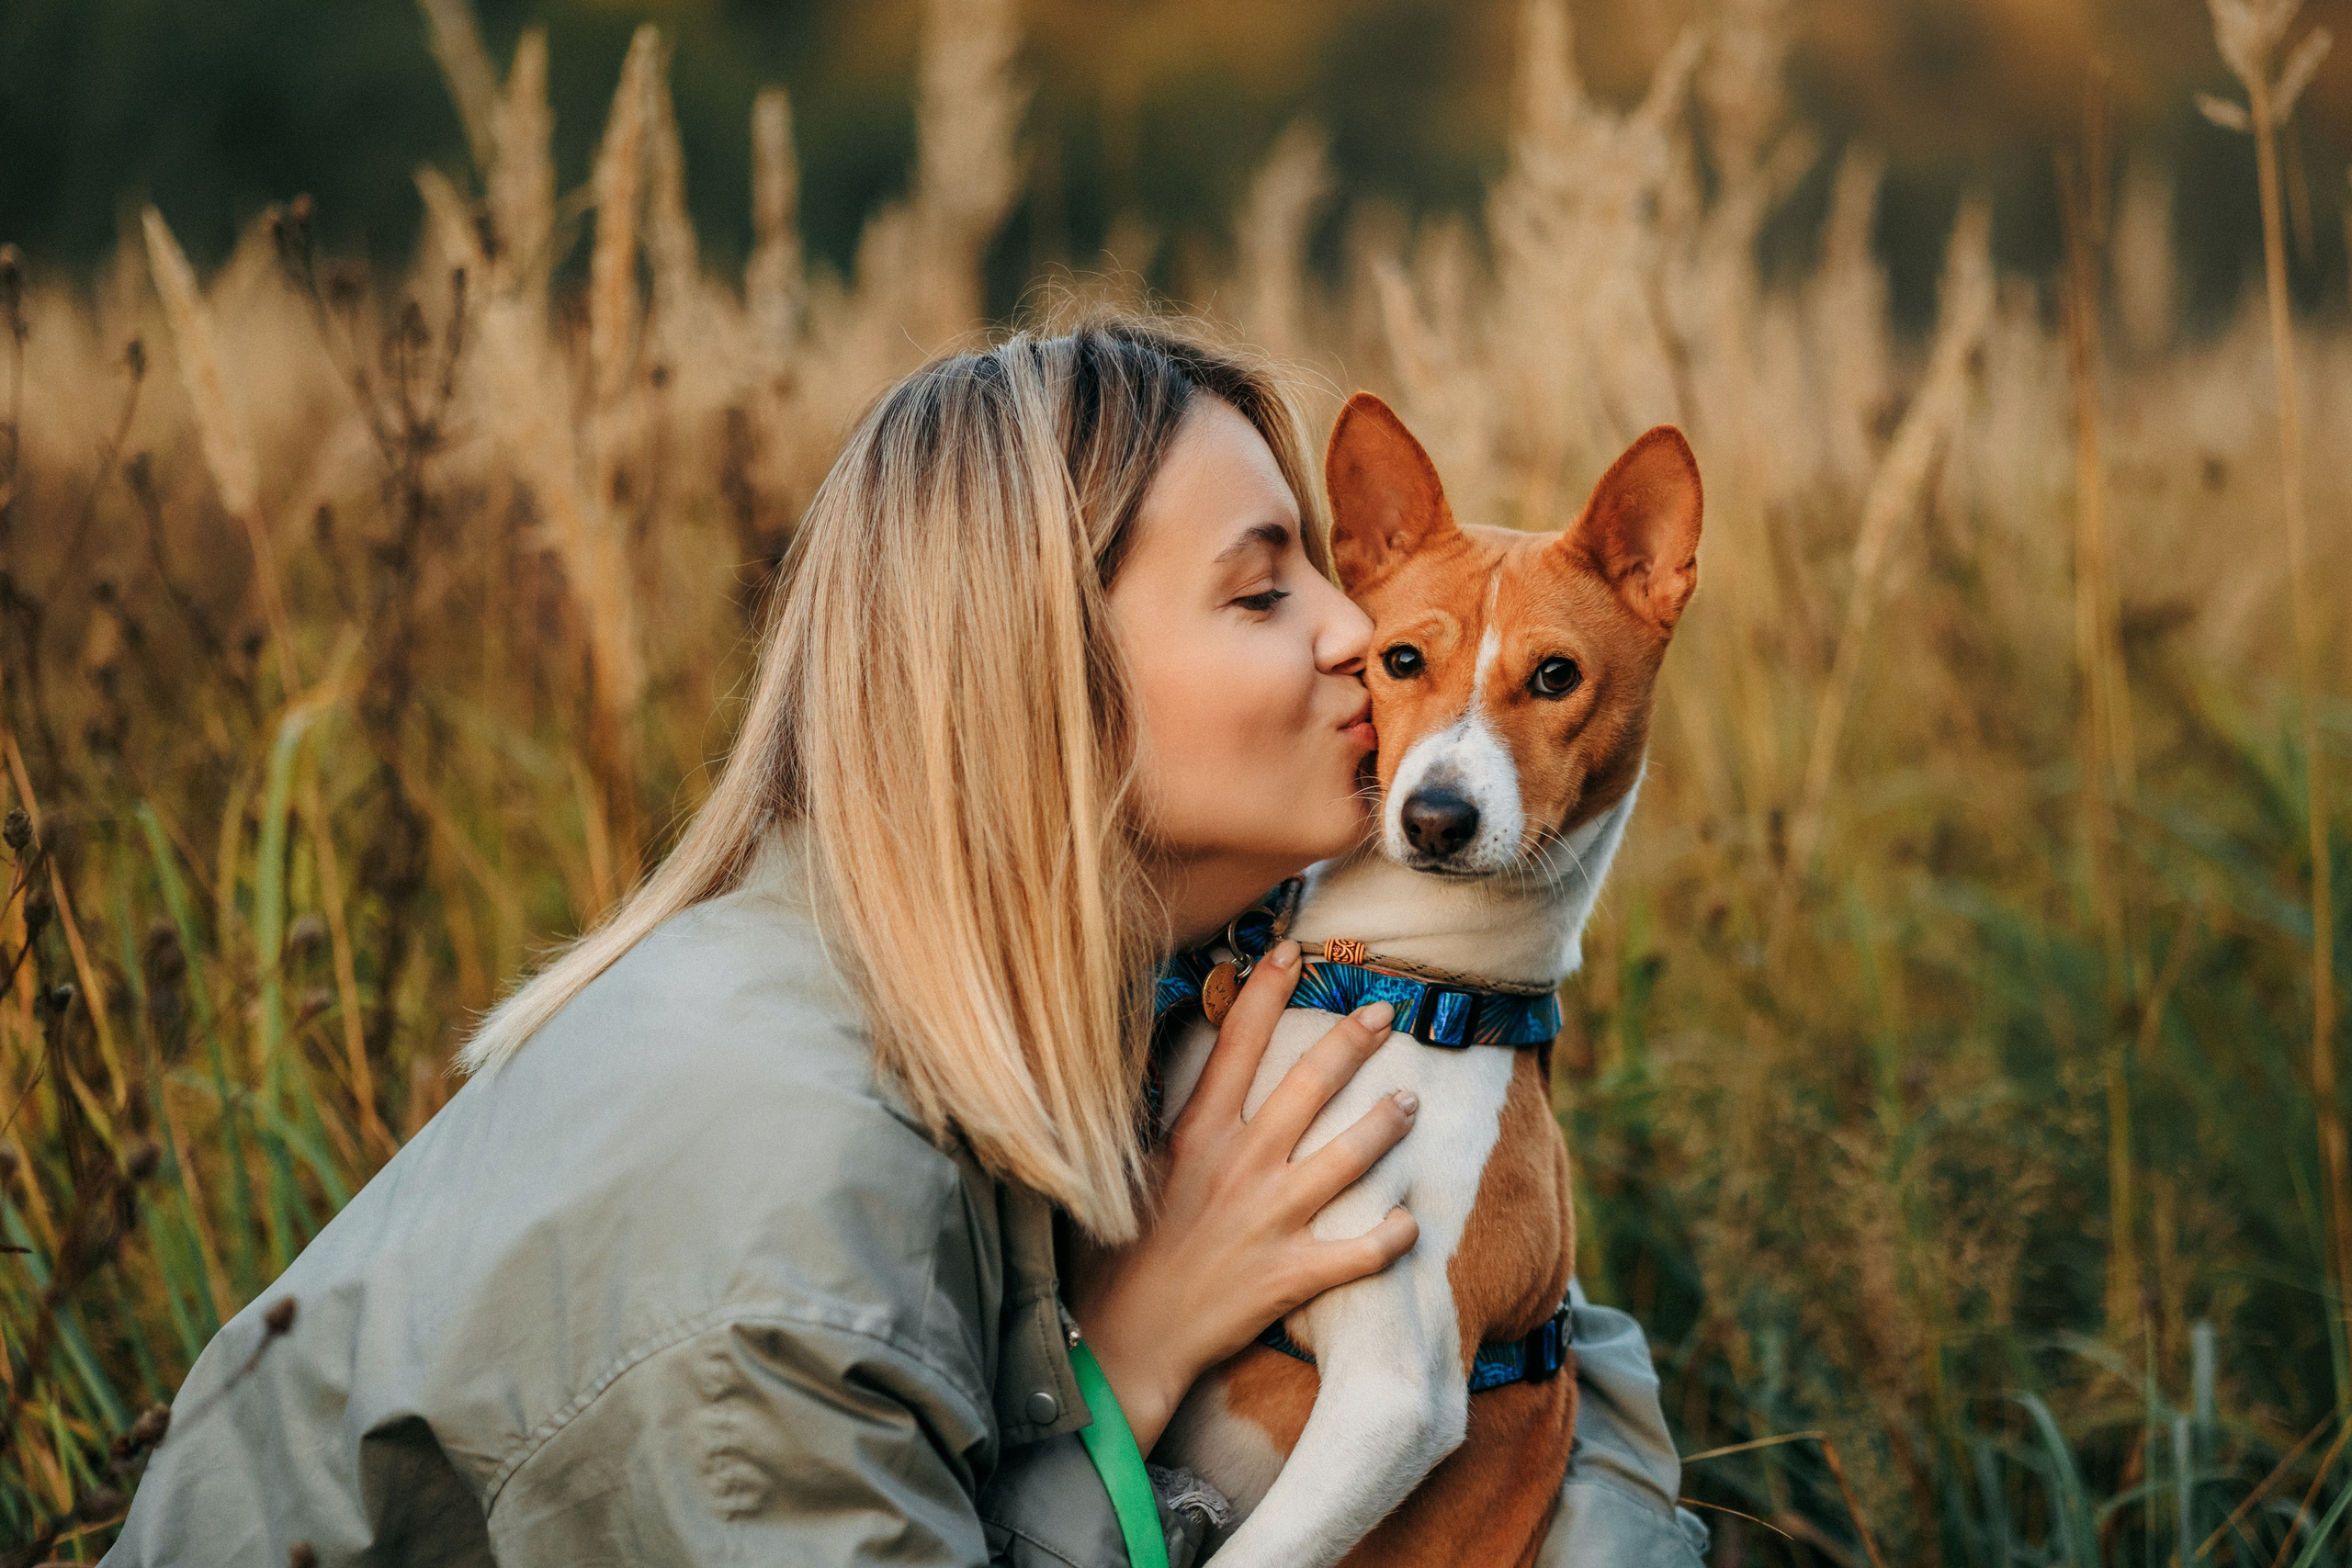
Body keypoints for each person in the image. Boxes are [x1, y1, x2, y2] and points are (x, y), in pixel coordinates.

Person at [106, 310, 1707, 1566]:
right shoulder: (778, 1224)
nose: (1368, 632)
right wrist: (1123, 1366)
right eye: (1263, 588)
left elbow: (1519, 1354)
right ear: (1046, 676)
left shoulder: (1062, 992)